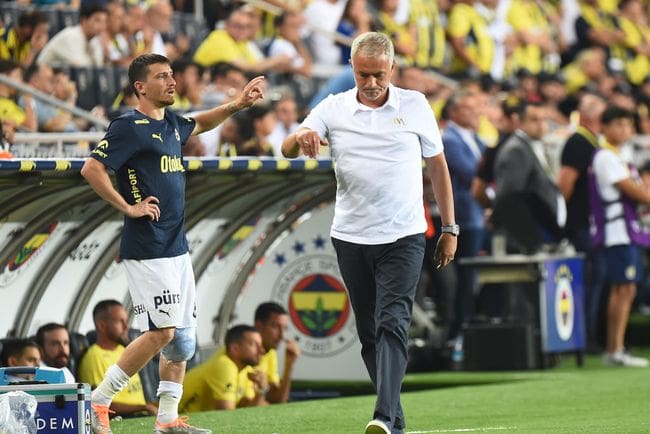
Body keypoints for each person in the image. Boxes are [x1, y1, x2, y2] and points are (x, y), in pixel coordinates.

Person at [282, 32, 457, 434]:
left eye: (379, 74)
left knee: (392, 322)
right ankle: (394, 422)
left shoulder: (415, 105)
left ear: (392, 69)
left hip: (404, 236)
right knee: (368, 333)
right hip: (351, 237)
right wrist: (299, 138)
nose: (372, 83)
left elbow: (438, 167)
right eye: (363, 74)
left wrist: (449, 227)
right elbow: (287, 149)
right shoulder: (334, 107)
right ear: (352, 69)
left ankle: (381, 416)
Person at [80, 53, 264, 434]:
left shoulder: (172, 125)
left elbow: (202, 122)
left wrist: (239, 103)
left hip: (176, 247)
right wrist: (128, 207)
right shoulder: (128, 126)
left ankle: (166, 420)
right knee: (162, 332)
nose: (171, 81)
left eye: (172, 75)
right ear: (140, 87)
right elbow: (92, 168)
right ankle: (97, 402)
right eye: (162, 76)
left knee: (182, 343)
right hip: (147, 247)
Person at [589, 106, 650, 368]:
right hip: (617, 232)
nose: (625, 130)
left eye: (628, 125)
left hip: (625, 231)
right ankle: (614, 348)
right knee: (622, 289)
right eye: (619, 124)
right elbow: (637, 193)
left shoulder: (619, 156)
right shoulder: (606, 157)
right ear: (605, 126)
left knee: (625, 289)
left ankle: (616, 347)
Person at [556, 92, 607, 349]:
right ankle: (584, 336)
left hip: (590, 223)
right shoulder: (578, 142)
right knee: (589, 277)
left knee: (597, 277)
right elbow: (565, 182)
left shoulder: (592, 142)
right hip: (580, 224)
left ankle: (591, 335)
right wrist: (561, 221)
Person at [441, 89, 486, 342]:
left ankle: (468, 327)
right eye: (469, 109)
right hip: (465, 217)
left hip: (479, 214)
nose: (475, 113)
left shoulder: (474, 138)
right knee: (465, 277)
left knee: (474, 276)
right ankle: (458, 332)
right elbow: (470, 173)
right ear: (455, 112)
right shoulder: (450, 140)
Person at [492, 102, 565, 252]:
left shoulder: (531, 145)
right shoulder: (517, 150)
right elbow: (510, 198)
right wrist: (531, 241)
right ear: (520, 121)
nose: (541, 125)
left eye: (544, 119)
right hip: (526, 240)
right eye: (534, 120)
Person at [78, 300, 158, 418]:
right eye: (120, 321)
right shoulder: (94, 357)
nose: (126, 326)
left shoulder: (125, 350)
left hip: (142, 415)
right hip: (123, 418)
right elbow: (98, 403)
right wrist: (144, 407)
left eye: (126, 321)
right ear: (102, 326)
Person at [179, 325, 265, 412]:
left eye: (260, 345)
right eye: (254, 345)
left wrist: (261, 391)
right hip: (180, 419)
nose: (262, 350)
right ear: (235, 348)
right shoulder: (224, 365)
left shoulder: (245, 369)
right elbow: (226, 414)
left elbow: (249, 408)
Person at [246, 302, 300, 404]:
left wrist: (289, 365)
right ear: (258, 325)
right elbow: (244, 408)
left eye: (284, 328)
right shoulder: (243, 355)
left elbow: (277, 399)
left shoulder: (270, 353)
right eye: (275, 327)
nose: (282, 335)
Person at [37, 2, 108, 67]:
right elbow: (82, 68)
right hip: (38, 77)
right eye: (97, 20)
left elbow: (98, 69)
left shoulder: (95, 41)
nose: (102, 26)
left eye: (104, 21)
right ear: (84, 20)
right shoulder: (71, 36)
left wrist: (106, 54)